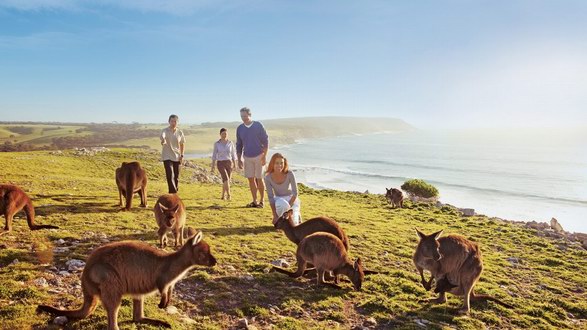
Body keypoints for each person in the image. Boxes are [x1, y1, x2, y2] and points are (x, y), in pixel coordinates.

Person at [236, 107, 269, 208]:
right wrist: (239, 159)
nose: (243, 118)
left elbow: (266, 141)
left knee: (259, 178)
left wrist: (264, 156)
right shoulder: (240, 128)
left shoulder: (258, 125)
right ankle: (254, 201)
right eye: (242, 116)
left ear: (250, 115)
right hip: (247, 157)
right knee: (250, 179)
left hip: (259, 156)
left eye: (245, 116)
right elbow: (239, 144)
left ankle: (262, 201)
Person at [264, 153, 301, 225]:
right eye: (277, 163)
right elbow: (271, 197)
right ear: (272, 164)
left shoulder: (290, 174)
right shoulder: (267, 177)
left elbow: (295, 193)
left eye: (282, 163)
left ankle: (296, 215)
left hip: (292, 200)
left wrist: (289, 208)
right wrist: (275, 216)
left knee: (295, 224)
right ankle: (282, 219)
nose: (279, 165)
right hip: (279, 200)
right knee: (282, 204)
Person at [160, 114, 185, 193]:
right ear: (169, 122)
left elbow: (182, 144)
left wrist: (182, 155)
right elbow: (162, 135)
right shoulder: (165, 130)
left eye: (175, 121)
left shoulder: (180, 132)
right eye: (172, 121)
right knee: (170, 175)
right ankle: (173, 193)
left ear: (177, 122)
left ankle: (175, 191)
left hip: (176, 156)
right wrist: (163, 139)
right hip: (167, 156)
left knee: (176, 177)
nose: (173, 123)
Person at [211, 128, 237, 200]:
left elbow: (233, 154)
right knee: (226, 179)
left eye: (225, 134)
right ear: (220, 134)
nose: (224, 135)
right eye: (223, 134)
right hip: (220, 163)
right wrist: (213, 166)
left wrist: (235, 164)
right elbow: (214, 155)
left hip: (229, 163)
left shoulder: (230, 143)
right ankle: (229, 195)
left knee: (226, 180)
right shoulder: (217, 144)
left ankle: (223, 195)